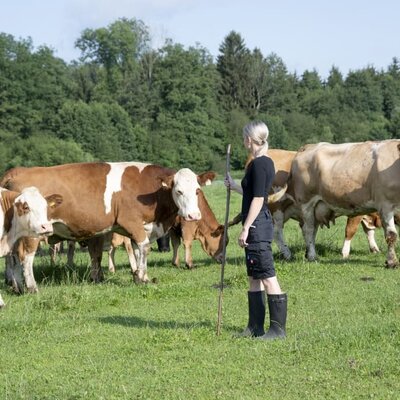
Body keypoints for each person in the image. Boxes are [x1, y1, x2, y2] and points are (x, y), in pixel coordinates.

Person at [224, 121, 287, 340]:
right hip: (256, 224)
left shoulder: (261, 164)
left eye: (244, 139)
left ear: (249, 140)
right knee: (254, 276)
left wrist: (246, 227)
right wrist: (234, 186)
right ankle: (254, 327)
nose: (243, 142)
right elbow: (252, 192)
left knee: (268, 276)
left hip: (258, 225)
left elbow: (259, 199)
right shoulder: (257, 164)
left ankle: (277, 331)